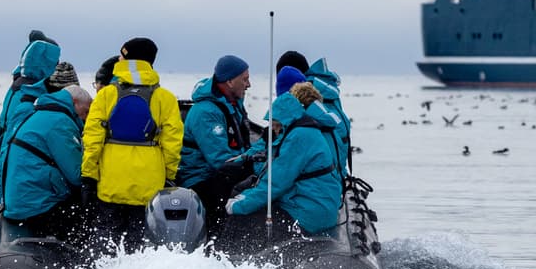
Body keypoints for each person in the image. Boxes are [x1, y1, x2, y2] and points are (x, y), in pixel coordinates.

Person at [80, 38, 184, 246]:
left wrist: (89, 175)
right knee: (140, 247)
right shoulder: (165, 99)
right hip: (149, 187)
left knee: (106, 245)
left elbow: (92, 140)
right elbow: (172, 144)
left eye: (122, 55)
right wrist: (169, 176)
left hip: (111, 185)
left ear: (127, 60)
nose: (118, 58)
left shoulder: (107, 95)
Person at [228, 64, 343, 240]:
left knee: (243, 220)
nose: (273, 128)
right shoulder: (304, 130)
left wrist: (239, 205)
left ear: (284, 118)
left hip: (308, 213)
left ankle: (231, 258)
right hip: (314, 204)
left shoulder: (299, 137)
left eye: (274, 123)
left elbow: (276, 182)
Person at [2, 86, 93, 242]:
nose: (85, 118)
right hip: (38, 207)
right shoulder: (60, 123)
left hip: (19, 202)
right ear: (74, 102)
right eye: (85, 112)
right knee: (91, 216)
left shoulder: (40, 114)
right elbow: (77, 176)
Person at [179, 54, 264, 215]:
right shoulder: (206, 113)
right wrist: (252, 165)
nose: (249, 85)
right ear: (230, 81)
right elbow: (220, 160)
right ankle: (224, 236)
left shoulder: (233, 106)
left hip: (225, 174)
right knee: (251, 198)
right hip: (202, 180)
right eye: (244, 79)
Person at [0, 30, 60, 207]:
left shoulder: (19, 87)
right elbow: (9, 144)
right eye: (55, 63)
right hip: (21, 184)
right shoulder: (28, 96)